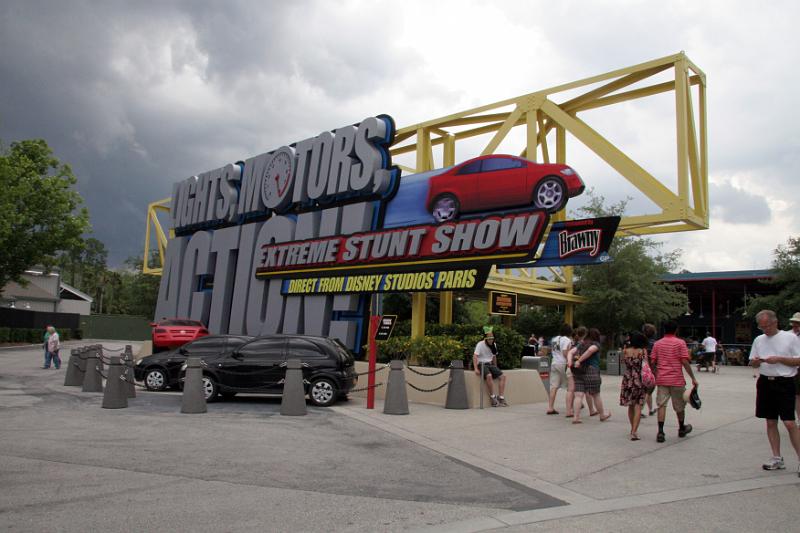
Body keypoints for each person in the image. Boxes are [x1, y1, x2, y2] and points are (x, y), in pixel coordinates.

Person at [749, 310, 800, 474]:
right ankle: (777, 457)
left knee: (789, 422)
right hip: (765, 382)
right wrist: (756, 362)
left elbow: (798, 360)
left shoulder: (790, 338)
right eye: (762, 327)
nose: (765, 330)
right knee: (770, 421)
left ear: (775, 322)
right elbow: (752, 362)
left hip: (784, 382)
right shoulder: (759, 340)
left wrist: (779, 359)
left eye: (767, 326)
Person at [650, 320, 698, 443]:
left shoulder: (657, 344)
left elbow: (652, 361)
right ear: (676, 330)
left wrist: (656, 373)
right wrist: (693, 378)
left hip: (662, 380)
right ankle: (681, 428)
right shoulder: (680, 343)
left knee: (661, 405)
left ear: (664, 330)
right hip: (677, 380)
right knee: (680, 406)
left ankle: (660, 432)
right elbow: (685, 362)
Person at [571, 328, 610, 424]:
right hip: (591, 370)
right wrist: (579, 360)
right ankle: (602, 415)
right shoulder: (596, 344)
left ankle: (576, 417)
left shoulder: (581, 344)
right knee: (596, 394)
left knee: (578, 395)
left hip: (578, 371)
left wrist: (572, 362)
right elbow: (590, 350)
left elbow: (571, 352)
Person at [620, 332, 649, 440]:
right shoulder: (642, 351)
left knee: (630, 405)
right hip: (639, 379)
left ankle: (632, 428)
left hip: (627, 379)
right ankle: (634, 431)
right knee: (638, 405)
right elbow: (646, 364)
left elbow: (622, 362)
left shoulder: (625, 351)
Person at [473, 327, 508, 407]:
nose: (491, 340)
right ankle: (493, 397)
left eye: (492, 338)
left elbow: (494, 356)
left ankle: (501, 398)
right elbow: (475, 356)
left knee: (503, 376)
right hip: (481, 364)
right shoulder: (480, 344)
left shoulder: (494, 345)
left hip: (490, 364)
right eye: (489, 338)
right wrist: (475, 368)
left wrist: (496, 367)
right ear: (485, 338)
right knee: (489, 376)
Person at [546, 324, 572, 415]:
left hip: (554, 363)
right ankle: (570, 409)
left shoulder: (554, 339)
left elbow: (552, 350)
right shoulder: (567, 340)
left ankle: (550, 407)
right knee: (570, 387)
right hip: (563, 364)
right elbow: (565, 352)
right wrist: (571, 358)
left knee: (554, 386)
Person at [642, 323, 658, 416]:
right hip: (651, 368)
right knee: (649, 390)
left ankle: (650, 409)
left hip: (641, 368)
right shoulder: (655, 344)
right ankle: (639, 410)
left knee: (646, 390)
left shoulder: (640, 343)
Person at [790, 312, 800, 419]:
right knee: (797, 395)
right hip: (794, 367)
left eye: (798, 324)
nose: (795, 326)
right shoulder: (788, 335)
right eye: (794, 323)